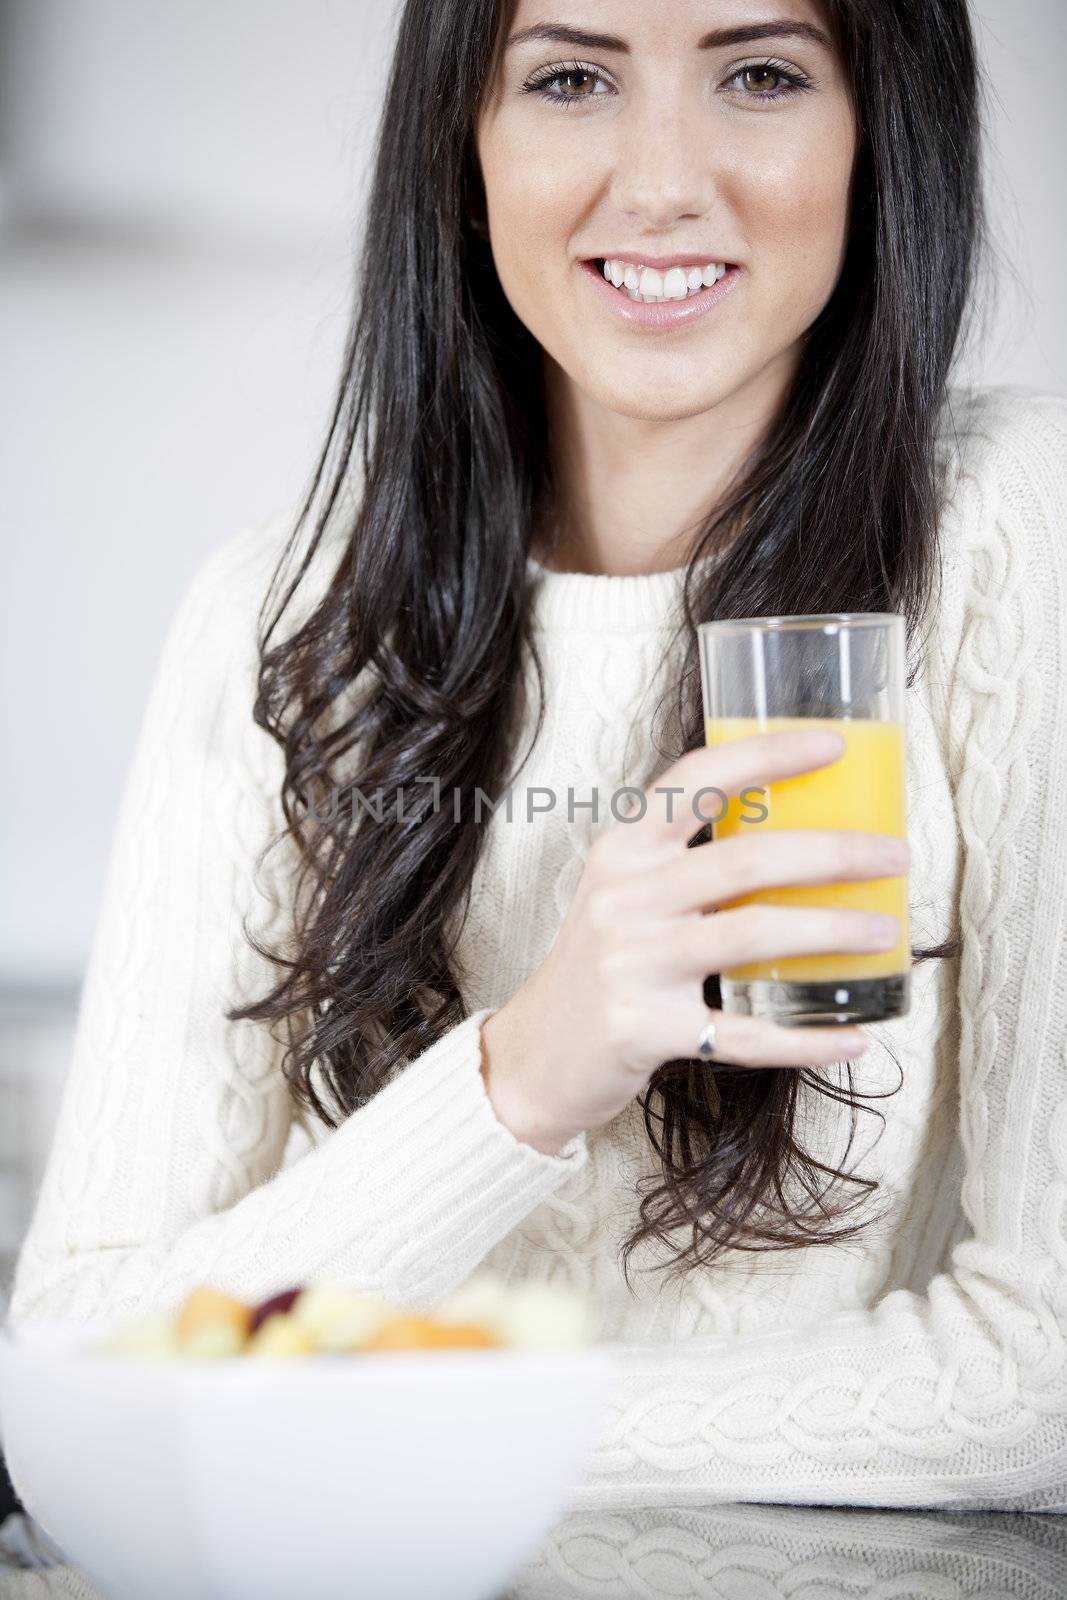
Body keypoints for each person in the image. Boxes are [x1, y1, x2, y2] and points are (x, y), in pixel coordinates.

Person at [6, 0, 1067, 1515]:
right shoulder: (286, 617)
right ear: (467, 141)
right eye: (570, 77)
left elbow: (1040, 1387)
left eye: (760, 75)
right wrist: (525, 1074)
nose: (657, 183)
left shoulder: (1014, 535)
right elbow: (77, 1371)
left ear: (884, 133)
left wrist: (411, 1428)